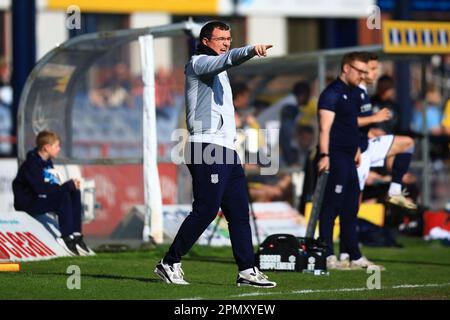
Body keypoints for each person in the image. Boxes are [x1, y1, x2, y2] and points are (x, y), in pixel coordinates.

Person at [154, 21, 276, 288]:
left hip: (226, 149)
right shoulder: (199, 62)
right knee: (207, 209)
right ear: (206, 41)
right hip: (206, 147)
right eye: (221, 38)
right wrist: (252, 50)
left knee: (239, 212)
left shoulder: (219, 68)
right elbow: (229, 60)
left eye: (229, 38)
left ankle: (247, 270)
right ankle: (169, 262)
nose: (226, 42)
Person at [316, 51, 367, 270]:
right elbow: (324, 129)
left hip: (349, 156)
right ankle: (327, 254)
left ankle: (353, 255)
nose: (363, 76)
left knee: (351, 207)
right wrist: (324, 155)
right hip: (335, 156)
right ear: (346, 68)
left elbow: (352, 124)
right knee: (331, 206)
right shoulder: (331, 93)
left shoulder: (354, 93)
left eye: (365, 72)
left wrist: (356, 148)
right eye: (359, 71)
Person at [12, 130, 93, 256]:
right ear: (46, 147)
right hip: (28, 203)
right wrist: (66, 186)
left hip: (40, 198)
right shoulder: (31, 164)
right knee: (64, 196)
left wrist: (69, 186)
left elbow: (52, 186)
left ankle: (76, 235)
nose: (59, 149)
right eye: (56, 146)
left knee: (74, 192)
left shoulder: (48, 163)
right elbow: (40, 190)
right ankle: (66, 237)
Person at [356, 52, 417, 211]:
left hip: (372, 146)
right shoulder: (354, 93)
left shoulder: (393, 106)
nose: (376, 73)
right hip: (356, 150)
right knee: (353, 203)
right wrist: (372, 124)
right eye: (372, 69)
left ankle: (395, 190)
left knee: (407, 143)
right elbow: (347, 122)